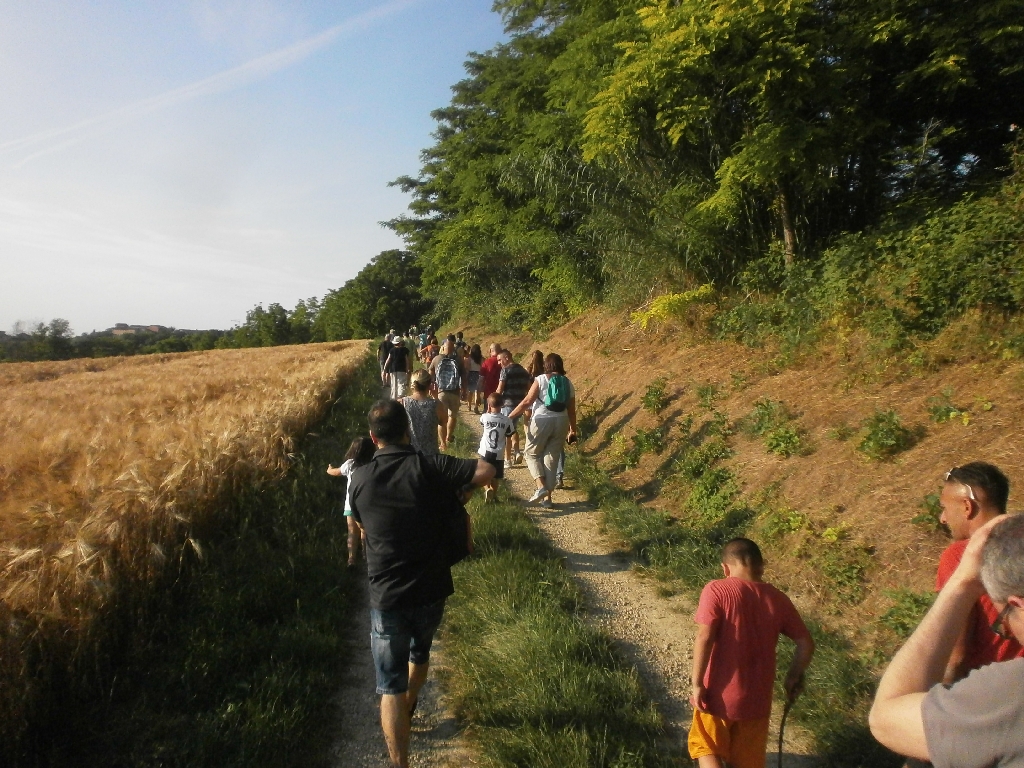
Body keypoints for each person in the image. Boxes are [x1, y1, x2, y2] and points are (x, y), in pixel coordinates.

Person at [349, 400, 495, 768]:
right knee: (420, 656)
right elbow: (485, 470)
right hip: (431, 589)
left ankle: (400, 759)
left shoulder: (360, 479)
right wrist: (457, 495)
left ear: (372, 437)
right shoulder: (431, 467)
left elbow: (365, 527)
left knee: (389, 686)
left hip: (386, 596)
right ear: (408, 431)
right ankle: (411, 703)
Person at [869, 514, 1024, 765]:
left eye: (1004, 620)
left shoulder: (1010, 693)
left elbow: (885, 719)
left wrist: (962, 583)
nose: (942, 517)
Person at [689, 538, 815, 768]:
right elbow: (805, 643)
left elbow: (704, 637)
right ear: (760, 566)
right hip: (757, 702)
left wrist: (697, 683)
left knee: (707, 748)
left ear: (725, 568)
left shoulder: (716, 589)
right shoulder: (778, 598)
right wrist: (793, 676)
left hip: (717, 697)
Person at [935, 463, 1021, 682]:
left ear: (966, 507)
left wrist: (946, 694)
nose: (943, 518)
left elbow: (957, 653)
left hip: (991, 686)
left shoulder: (958, 556)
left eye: (945, 508)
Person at [508, 353, 577, 508]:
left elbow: (527, 402)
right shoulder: (568, 383)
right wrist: (573, 430)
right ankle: (548, 499)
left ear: (546, 365)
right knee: (551, 457)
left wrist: (510, 417)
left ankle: (541, 488)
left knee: (531, 454)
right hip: (562, 421)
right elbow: (572, 410)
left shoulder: (540, 379)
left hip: (542, 420)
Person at [327, 436, 375, 566]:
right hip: (366, 504)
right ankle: (366, 556)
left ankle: (351, 558)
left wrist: (329, 469)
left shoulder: (350, 464)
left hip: (350, 504)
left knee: (352, 531)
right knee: (364, 531)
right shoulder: (373, 464)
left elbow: (336, 472)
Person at [495, 349, 531, 466]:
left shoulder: (505, 371)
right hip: (520, 405)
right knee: (512, 428)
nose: (499, 363)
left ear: (507, 357)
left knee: (506, 433)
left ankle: (507, 459)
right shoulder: (523, 371)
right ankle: (516, 452)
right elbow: (529, 388)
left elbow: (500, 389)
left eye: (500, 360)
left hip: (508, 404)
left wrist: (493, 402)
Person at [401, 369, 448, 455]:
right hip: (431, 456)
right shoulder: (437, 405)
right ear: (429, 385)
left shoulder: (402, 403)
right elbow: (444, 422)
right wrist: (436, 397)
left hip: (410, 455)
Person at [478, 393, 514, 504]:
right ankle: (494, 496)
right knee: (496, 476)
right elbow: (510, 435)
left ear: (489, 405)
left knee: (484, 473)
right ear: (502, 405)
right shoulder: (507, 420)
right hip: (498, 453)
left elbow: (482, 423)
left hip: (485, 451)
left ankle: (487, 489)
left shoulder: (484, 417)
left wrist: (488, 412)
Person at [429, 336, 466, 443]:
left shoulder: (437, 359)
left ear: (443, 347)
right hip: (455, 392)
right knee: (452, 416)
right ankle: (449, 436)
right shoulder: (458, 360)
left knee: (441, 420)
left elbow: (430, 373)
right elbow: (464, 377)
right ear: (453, 348)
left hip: (441, 392)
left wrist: (431, 388)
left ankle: (443, 444)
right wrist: (464, 390)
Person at [382, 336, 412, 400]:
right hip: (402, 369)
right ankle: (400, 397)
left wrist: (385, 369)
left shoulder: (392, 350)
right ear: (400, 342)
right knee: (401, 383)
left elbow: (388, 359)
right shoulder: (405, 350)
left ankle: (393, 399)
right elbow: (407, 360)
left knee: (393, 384)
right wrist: (407, 369)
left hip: (392, 369)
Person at [466, 344, 484, 414]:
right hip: (479, 375)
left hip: (471, 374)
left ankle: (469, 405)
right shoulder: (481, 358)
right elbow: (483, 368)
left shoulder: (470, 358)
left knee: (470, 392)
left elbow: (468, 368)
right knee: (477, 392)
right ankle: (476, 407)